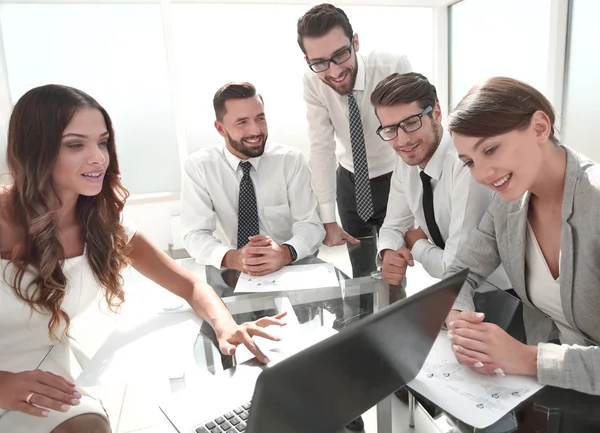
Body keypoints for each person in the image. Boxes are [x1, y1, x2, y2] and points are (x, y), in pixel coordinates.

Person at [0, 84, 285, 433]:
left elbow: (191, 285)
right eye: (76, 145)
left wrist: (226, 327)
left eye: (102, 142)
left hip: (44, 374)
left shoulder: (103, 223)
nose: (98, 158)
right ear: (34, 150)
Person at [443, 77, 600, 395]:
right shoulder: (506, 206)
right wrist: (460, 322)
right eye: (470, 162)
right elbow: (459, 274)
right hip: (556, 391)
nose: (483, 174)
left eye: (491, 149)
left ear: (540, 127)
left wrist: (527, 358)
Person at [297, 3, 412, 278]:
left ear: (355, 42)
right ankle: (366, 319)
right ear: (308, 61)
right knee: (361, 268)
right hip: (350, 181)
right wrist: (327, 218)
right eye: (320, 62)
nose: (334, 71)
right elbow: (321, 148)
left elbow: (414, 132)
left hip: (395, 176)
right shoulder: (312, 83)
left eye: (340, 55)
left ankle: (394, 315)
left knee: (393, 269)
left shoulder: (392, 66)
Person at [371, 72, 509, 287]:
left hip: (497, 292)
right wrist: (389, 251)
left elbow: (455, 268)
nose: (402, 140)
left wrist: (416, 244)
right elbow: (393, 226)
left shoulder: (466, 164)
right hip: (452, 293)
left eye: (410, 122)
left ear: (436, 112)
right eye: (390, 130)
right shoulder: (406, 162)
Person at [181, 81, 324, 276]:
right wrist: (235, 258)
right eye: (242, 122)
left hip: (289, 265)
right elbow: (194, 234)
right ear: (220, 129)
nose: (256, 131)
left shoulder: (290, 161)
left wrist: (285, 253)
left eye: (260, 118)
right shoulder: (199, 167)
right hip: (229, 268)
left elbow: (311, 224)